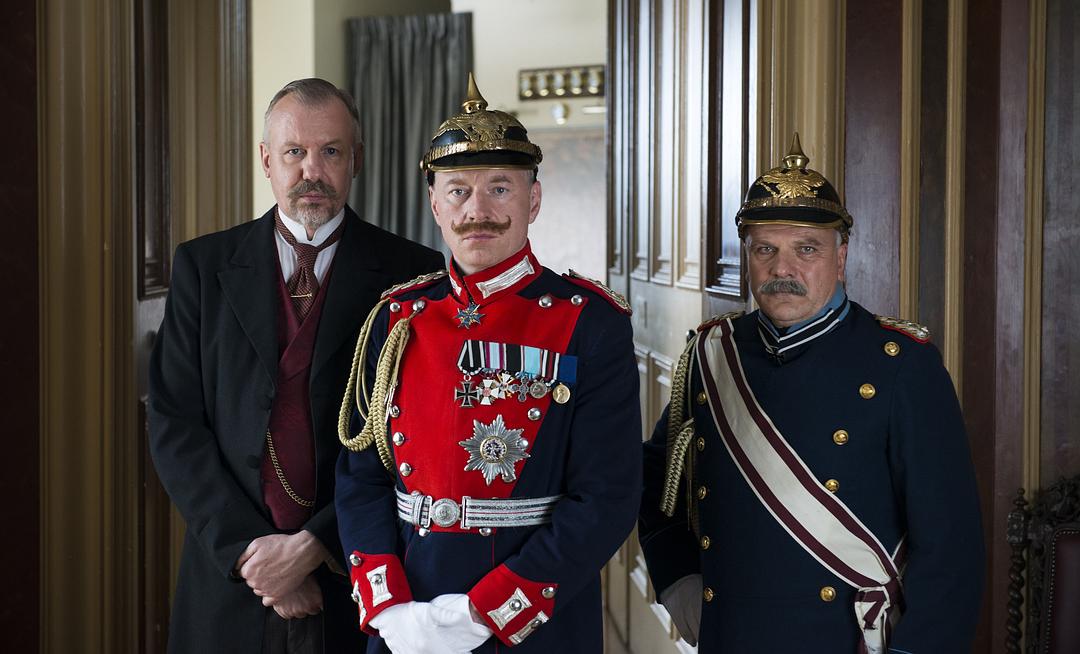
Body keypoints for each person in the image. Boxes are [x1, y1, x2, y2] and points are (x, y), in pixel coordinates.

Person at [638, 135, 984, 653]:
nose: (782, 270)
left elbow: (950, 546)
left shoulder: (902, 365)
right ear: (748, 256)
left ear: (840, 258)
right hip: (730, 635)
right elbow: (657, 478)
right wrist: (677, 578)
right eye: (765, 249)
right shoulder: (710, 354)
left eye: (806, 249)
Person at [334, 74, 641, 654]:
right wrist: (388, 604)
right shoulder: (395, 319)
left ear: (534, 200)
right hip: (408, 616)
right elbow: (360, 476)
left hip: (534, 620)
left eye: (500, 188)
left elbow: (607, 498)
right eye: (458, 191)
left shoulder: (589, 323)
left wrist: (484, 613)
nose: (478, 210)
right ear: (435, 204)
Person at [148, 78, 445, 654]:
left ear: (356, 159)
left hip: (358, 575)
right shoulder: (202, 266)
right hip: (230, 578)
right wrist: (251, 556)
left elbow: (417, 440)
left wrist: (313, 546)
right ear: (266, 160)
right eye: (294, 152)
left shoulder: (414, 274)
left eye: (331, 151)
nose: (313, 170)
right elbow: (173, 422)